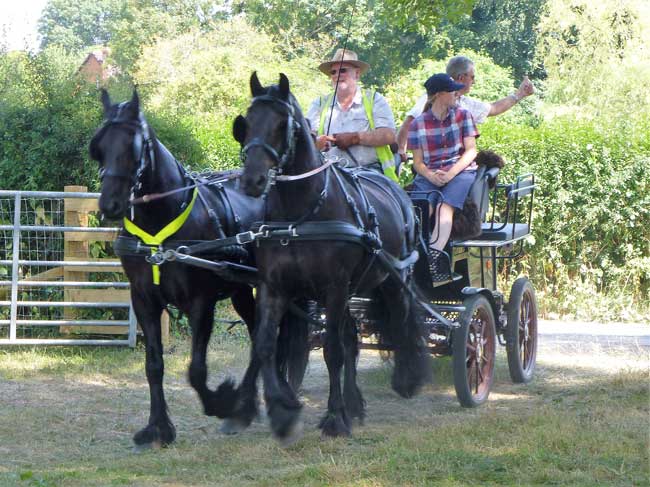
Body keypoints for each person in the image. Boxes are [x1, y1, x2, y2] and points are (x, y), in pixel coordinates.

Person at [407, 73, 479, 276]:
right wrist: (431, 176)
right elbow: (418, 163)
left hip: (460, 172)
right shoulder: (417, 124)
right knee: (420, 210)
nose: (457, 93)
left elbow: (471, 151)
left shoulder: (463, 115)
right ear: (438, 95)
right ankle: (412, 258)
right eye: (452, 90)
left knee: (444, 207)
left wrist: (449, 174)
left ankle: (434, 257)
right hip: (429, 175)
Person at [397, 55, 534, 161]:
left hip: (456, 169)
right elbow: (409, 123)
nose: (473, 81)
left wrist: (520, 94)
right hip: (430, 167)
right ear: (461, 78)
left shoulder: (465, 106)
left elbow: (494, 108)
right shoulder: (434, 99)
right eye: (472, 77)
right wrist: (400, 151)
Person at [306, 48, 399, 181]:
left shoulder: (374, 99)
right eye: (333, 72)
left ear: (357, 73)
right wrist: (317, 143)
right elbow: (306, 138)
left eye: (343, 70)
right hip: (329, 175)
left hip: (371, 172)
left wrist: (355, 138)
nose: (337, 75)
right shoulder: (318, 104)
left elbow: (389, 135)